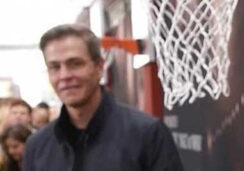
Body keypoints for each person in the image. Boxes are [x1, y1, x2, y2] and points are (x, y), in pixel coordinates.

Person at [23, 24, 183, 171]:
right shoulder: (37, 146)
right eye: (54, 67)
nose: (64, 75)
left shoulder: (147, 134)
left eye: (75, 64)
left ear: (99, 67)